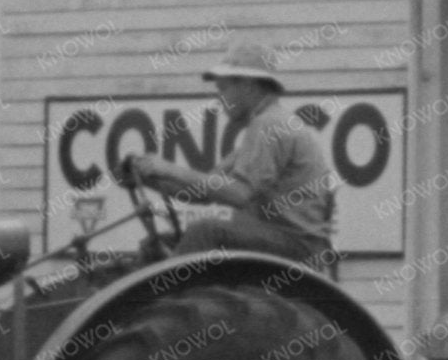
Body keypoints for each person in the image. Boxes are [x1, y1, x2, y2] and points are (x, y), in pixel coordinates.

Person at [127, 44, 336, 265]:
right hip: (288, 241)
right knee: (166, 242)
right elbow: (201, 193)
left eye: (223, 89)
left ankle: (169, 297)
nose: (220, 99)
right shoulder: (269, 125)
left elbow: (239, 193)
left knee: (205, 232)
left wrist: (168, 169)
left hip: (297, 245)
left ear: (247, 86)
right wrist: (149, 178)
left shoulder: (270, 124)